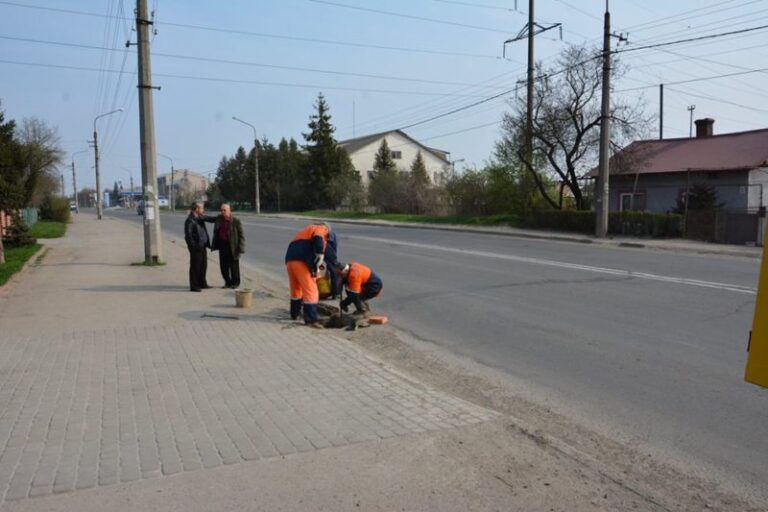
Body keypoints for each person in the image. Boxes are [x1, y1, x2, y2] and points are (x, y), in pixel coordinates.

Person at [284, 222, 332, 328]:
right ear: (326, 229)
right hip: (302, 262)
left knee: (296, 289)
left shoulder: (305, 231)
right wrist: (320, 253)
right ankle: (311, 319)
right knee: (311, 290)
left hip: (290, 261)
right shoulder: (320, 228)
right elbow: (318, 237)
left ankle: (294, 314)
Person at [211, 203, 245, 289]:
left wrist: (241, 248)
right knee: (223, 266)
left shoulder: (236, 221)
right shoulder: (219, 219)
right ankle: (228, 282)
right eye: (221, 210)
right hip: (222, 245)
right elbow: (209, 218)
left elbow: (241, 236)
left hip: (233, 246)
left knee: (234, 266)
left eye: (224, 210)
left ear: (229, 211)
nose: (222, 212)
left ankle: (235, 283)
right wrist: (199, 216)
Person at [184, 202, 214, 292]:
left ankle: (202, 283)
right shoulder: (190, 220)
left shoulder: (199, 217)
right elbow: (188, 236)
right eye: (202, 208)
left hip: (202, 246)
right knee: (195, 267)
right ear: (196, 209)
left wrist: (220, 217)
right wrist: (193, 247)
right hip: (196, 248)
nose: (203, 210)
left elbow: (210, 218)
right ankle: (194, 286)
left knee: (203, 266)